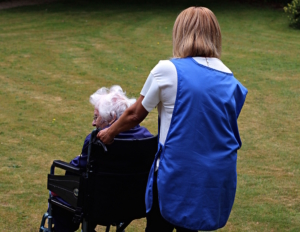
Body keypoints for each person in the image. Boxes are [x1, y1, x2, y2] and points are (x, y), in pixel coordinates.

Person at [97, 7, 248, 232]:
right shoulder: (229, 78)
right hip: (214, 176)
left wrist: (109, 133)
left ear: (181, 33)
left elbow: (134, 114)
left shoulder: (168, 70)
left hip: (177, 174)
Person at [52, 85, 153, 232]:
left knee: (62, 189)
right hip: (133, 204)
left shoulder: (98, 140)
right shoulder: (147, 138)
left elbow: (75, 169)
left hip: (97, 204)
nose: (93, 123)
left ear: (112, 118)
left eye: (96, 117)